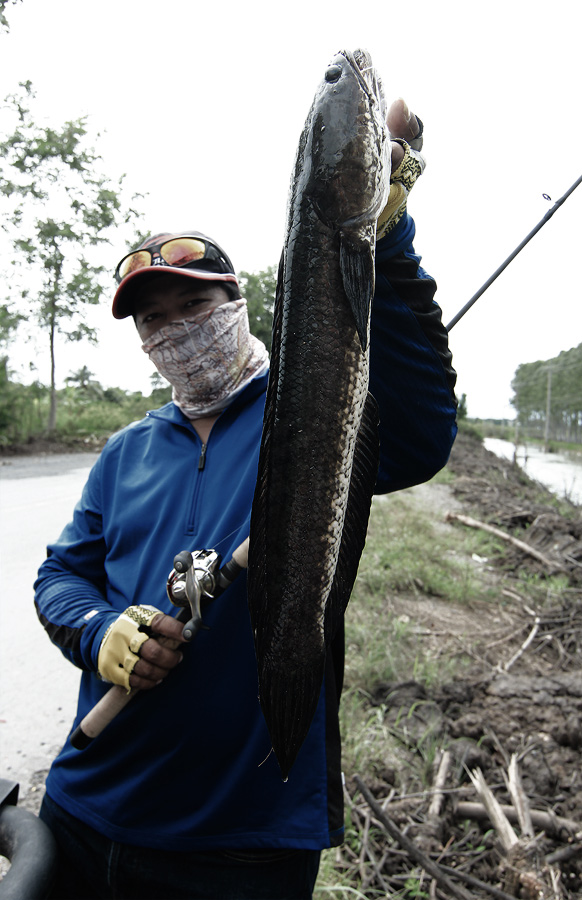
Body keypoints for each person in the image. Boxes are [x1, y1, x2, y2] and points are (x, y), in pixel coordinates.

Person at [34, 99, 457, 900]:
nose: (175, 329)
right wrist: (99, 633)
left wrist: (385, 234)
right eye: (153, 319)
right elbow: (60, 578)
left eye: (193, 305)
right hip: (86, 811)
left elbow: (423, 434)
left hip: (244, 843)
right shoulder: (125, 454)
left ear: (234, 301)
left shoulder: (313, 410)